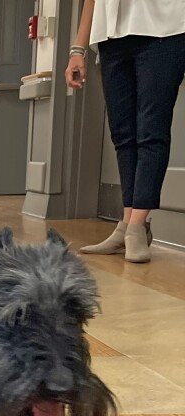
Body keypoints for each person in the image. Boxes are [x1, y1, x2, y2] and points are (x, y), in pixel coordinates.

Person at [66, 0, 185, 263]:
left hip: (165, 31)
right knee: (122, 134)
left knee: (151, 130)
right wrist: (78, 48)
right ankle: (127, 222)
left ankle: (137, 227)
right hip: (111, 36)